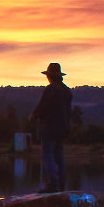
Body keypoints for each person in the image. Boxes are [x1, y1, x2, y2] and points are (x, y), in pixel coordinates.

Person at [29, 61, 73, 192]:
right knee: (59, 156)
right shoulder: (66, 90)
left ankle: (52, 184)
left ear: (50, 76)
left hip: (49, 128)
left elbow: (43, 106)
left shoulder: (51, 89)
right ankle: (61, 184)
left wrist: (33, 116)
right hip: (63, 128)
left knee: (48, 155)